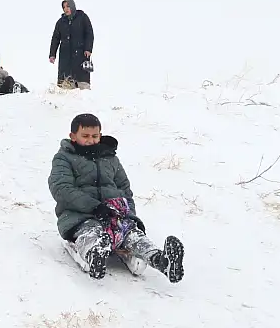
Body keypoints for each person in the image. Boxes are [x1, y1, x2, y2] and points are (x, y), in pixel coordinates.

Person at [48, 113, 185, 282]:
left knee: (132, 234)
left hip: (114, 213)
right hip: (80, 216)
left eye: (95, 136)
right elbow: (62, 189)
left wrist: (129, 214)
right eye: (85, 136)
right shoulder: (64, 158)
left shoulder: (110, 158)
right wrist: (94, 207)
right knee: (92, 232)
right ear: (73, 136)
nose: (91, 140)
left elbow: (125, 189)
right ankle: (95, 254)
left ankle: (162, 261)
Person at [49, 0, 94, 89]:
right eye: (64, 7)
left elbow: (89, 33)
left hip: (81, 55)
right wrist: (52, 54)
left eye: (68, 6)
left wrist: (88, 49)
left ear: (72, 6)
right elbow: (55, 39)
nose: (66, 9)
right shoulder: (60, 22)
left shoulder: (82, 17)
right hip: (65, 57)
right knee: (65, 87)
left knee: (82, 86)